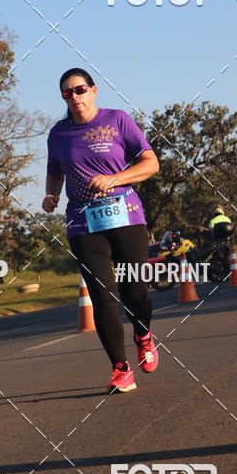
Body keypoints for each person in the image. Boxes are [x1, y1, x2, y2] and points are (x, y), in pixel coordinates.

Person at [42, 68, 160, 394]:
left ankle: (143, 333)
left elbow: (150, 163)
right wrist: (51, 194)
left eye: (79, 89)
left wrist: (114, 179)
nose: (74, 97)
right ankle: (121, 369)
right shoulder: (58, 134)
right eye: (67, 93)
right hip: (83, 222)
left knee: (134, 290)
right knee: (102, 295)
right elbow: (55, 171)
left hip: (126, 215)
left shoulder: (118, 120)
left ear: (93, 90)